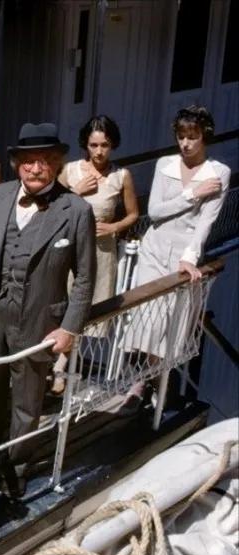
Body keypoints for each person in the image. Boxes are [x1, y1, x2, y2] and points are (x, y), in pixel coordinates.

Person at [0, 123, 96, 498]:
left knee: (27, 402)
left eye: (45, 160)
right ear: (17, 163)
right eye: (28, 161)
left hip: (39, 320)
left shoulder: (77, 210)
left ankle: (15, 471)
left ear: (57, 164)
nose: (36, 168)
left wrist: (69, 328)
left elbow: (85, 278)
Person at [121, 106, 228, 408]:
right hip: (154, 249)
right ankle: (143, 383)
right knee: (147, 319)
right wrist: (193, 194)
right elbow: (155, 211)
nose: (185, 143)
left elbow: (206, 221)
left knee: (169, 322)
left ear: (204, 136)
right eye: (181, 136)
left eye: (192, 136)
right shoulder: (165, 164)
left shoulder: (218, 172)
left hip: (183, 254)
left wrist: (190, 257)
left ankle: (154, 383)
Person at [51, 115, 139, 394]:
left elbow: (133, 214)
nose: (99, 151)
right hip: (70, 248)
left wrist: (114, 227)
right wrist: (76, 191)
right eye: (93, 145)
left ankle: (61, 367)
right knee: (60, 304)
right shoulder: (70, 170)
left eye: (105, 145)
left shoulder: (121, 176)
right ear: (85, 145)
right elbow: (51, 206)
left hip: (101, 252)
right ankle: (55, 364)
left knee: (84, 310)